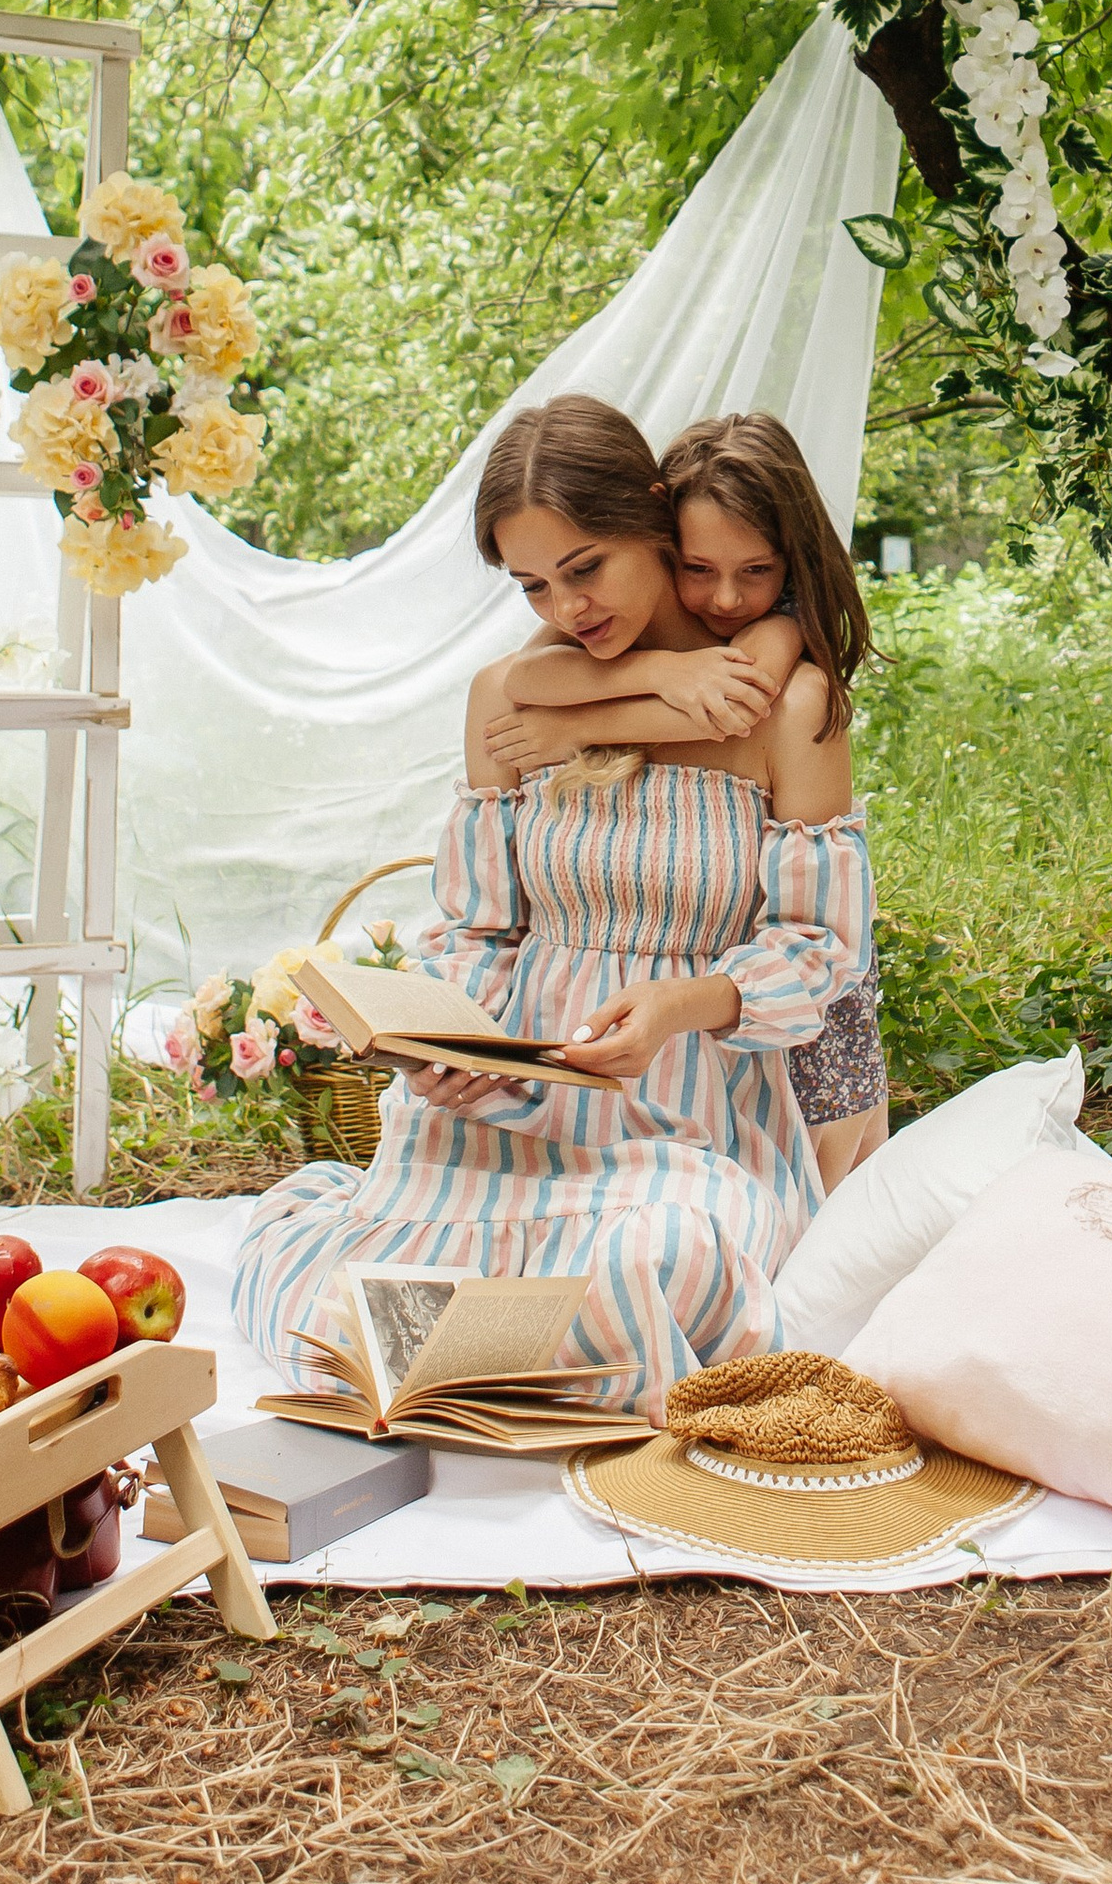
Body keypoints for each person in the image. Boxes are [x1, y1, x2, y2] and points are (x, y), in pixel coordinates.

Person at [228, 396, 870, 1412]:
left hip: (687, 1116)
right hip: (509, 1107)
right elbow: (483, 927)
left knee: (654, 1261)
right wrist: (452, 1042)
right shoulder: (508, 701)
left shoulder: (783, 706)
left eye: (586, 569)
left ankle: (494, 1353)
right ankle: (492, 1355)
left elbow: (820, 949)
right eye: (533, 584)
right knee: (314, 1282)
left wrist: (679, 1006)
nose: (568, 608)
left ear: (656, 527)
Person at [480, 411, 891, 1188]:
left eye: (756, 572)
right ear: (667, 529)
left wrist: (583, 733)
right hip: (574, 1091)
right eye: (699, 569)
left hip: (785, 1050)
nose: (726, 598)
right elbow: (524, 683)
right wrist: (658, 676)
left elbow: (741, 708)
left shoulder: (776, 660)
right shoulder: (566, 670)